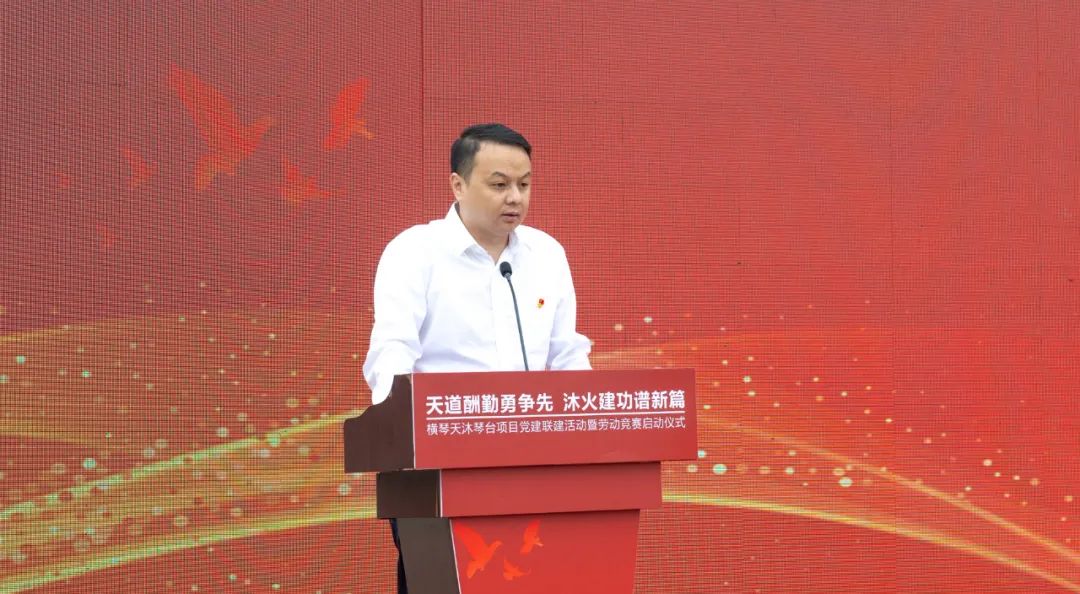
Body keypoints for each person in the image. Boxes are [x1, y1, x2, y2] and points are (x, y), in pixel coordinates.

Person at [362, 123, 591, 593]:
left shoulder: (547, 255)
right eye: (499, 184)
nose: (515, 198)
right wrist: (402, 435)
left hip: (535, 466)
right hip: (437, 469)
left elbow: (567, 354)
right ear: (458, 184)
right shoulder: (415, 252)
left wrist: (592, 432)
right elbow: (392, 353)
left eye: (524, 184)